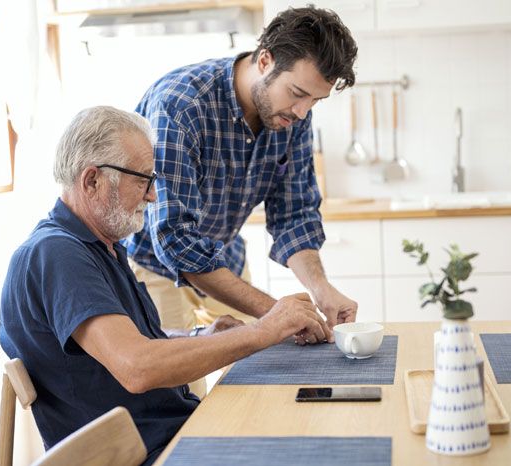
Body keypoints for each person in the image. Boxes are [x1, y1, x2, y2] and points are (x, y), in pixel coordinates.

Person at [0, 106, 332, 465]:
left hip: (170, 436)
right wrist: (264, 330)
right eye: (142, 180)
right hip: (147, 454)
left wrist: (202, 337)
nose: (154, 195)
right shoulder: (57, 254)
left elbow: (128, 343)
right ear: (92, 180)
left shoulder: (98, 247)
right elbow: (137, 366)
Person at [124, 7, 360, 394]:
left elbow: (294, 214)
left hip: (223, 257)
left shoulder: (292, 117)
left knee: (252, 382)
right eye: (298, 94)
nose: (302, 112)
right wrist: (275, 314)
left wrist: (321, 290)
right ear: (265, 59)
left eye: (314, 102)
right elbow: (175, 241)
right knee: (182, 396)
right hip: (154, 268)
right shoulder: (181, 105)